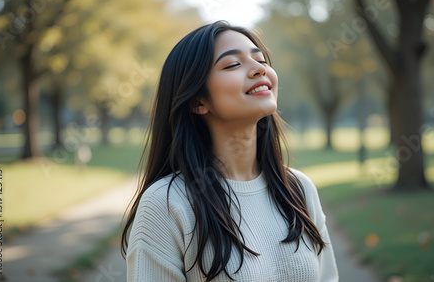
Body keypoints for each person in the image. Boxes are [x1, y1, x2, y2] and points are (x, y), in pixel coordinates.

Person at [121, 20, 339, 282]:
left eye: (262, 60)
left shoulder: (300, 189)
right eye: (233, 64)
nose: (259, 69)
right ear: (198, 101)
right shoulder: (165, 205)